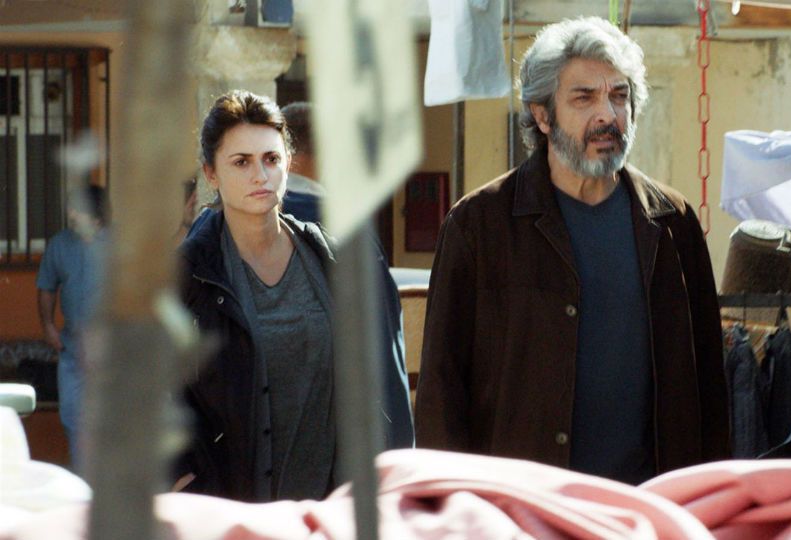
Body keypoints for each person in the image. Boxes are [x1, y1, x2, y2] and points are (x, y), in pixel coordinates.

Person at [415, 17, 729, 485]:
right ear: (542, 115)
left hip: (649, 503)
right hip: (521, 505)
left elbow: (709, 389)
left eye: (619, 96)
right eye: (584, 98)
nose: (607, 115)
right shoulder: (479, 226)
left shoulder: (672, 222)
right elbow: (440, 393)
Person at [176, 90, 412, 502]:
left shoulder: (332, 257)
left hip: (335, 506)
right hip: (235, 509)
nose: (260, 175)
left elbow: (385, 376)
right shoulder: (189, 273)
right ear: (211, 173)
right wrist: (184, 482)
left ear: (289, 162)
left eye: (271, 159)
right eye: (241, 162)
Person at [36, 184, 109, 469]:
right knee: (71, 415)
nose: (71, 213)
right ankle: (84, 479)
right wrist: (48, 326)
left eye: (77, 208)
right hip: (72, 347)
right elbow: (46, 288)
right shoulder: (60, 244)